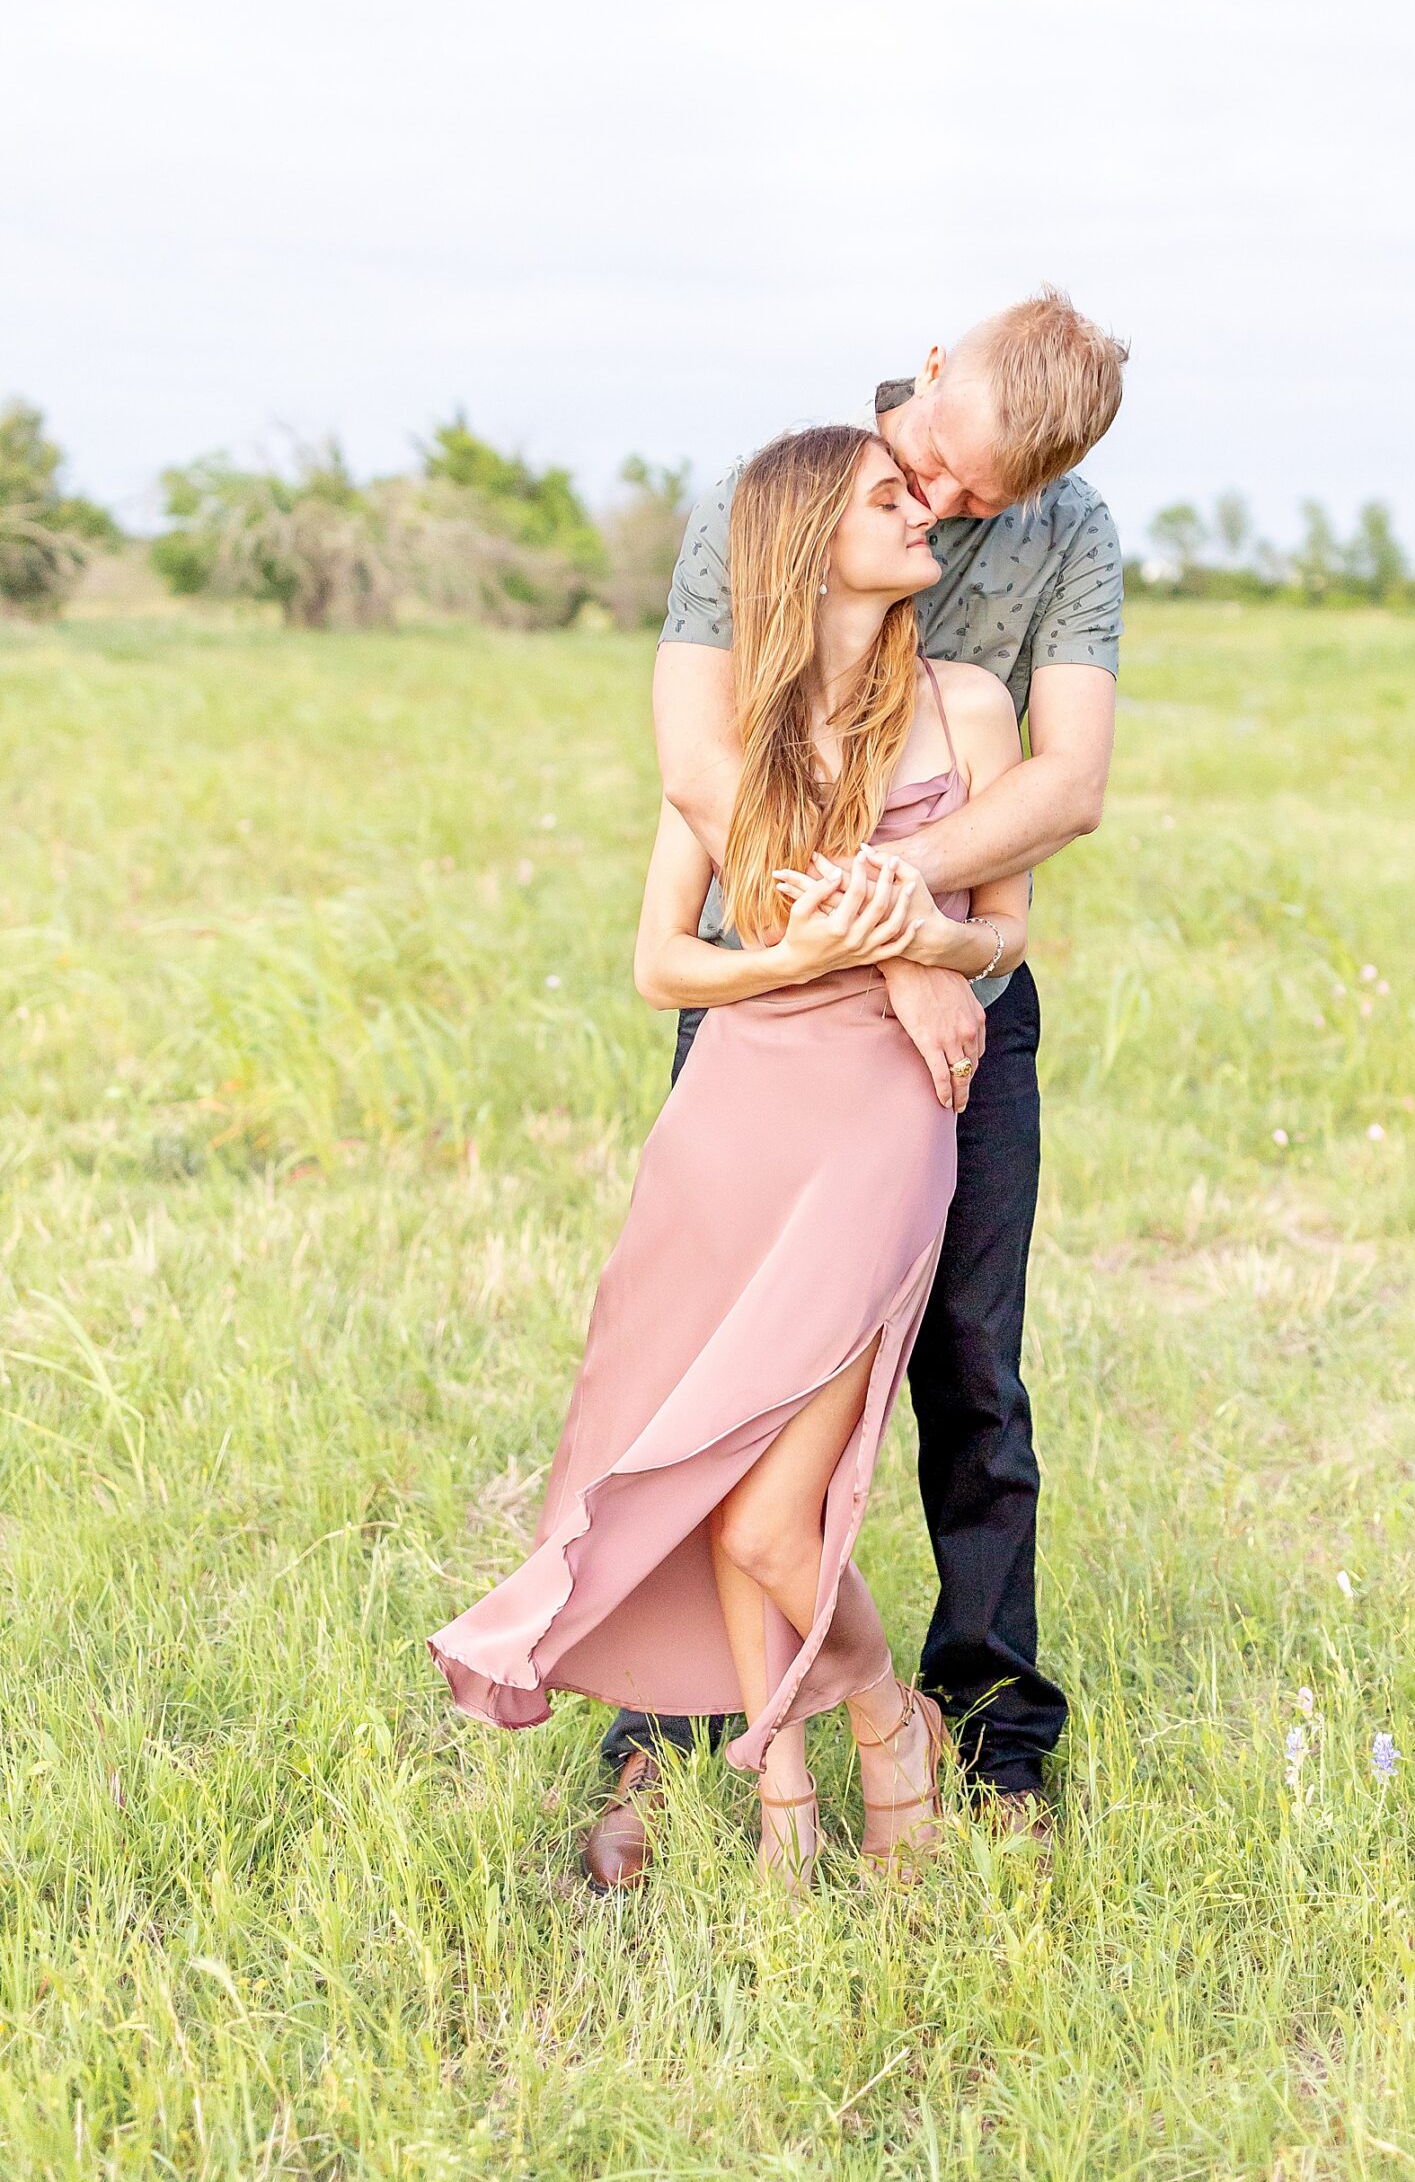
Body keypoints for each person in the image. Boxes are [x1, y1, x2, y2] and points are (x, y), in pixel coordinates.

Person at [429, 424, 1031, 1891]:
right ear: (809, 538)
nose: (922, 511)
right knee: (712, 1477)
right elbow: (659, 967)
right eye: (890, 498)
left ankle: (889, 1726)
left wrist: (922, 945)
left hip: (884, 1119)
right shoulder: (731, 740)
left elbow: (1002, 935)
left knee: (776, 1513)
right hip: (734, 1117)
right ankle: (785, 1822)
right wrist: (800, 957)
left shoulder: (968, 707)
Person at [585, 288, 1128, 1887]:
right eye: (940, 472)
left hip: (957, 1014)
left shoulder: (1073, 535)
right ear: (933, 364)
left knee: (975, 1375)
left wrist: (911, 919)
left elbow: (1067, 781)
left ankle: (992, 1729)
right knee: (707, 1380)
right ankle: (673, 1729)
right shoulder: (782, 497)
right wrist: (878, 935)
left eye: (989, 501)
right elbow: (704, 763)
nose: (954, 513)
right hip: (778, 1021)